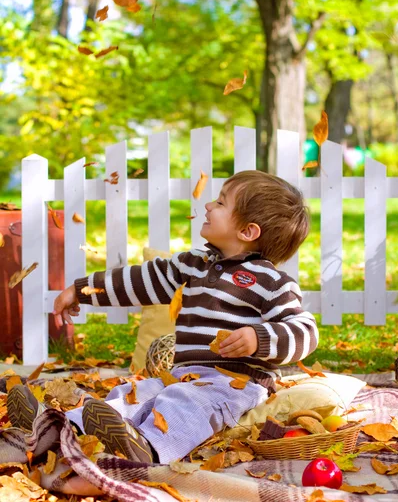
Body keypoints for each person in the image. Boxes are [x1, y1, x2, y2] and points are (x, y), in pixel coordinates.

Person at [9, 170, 319, 465]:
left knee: (185, 404)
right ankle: (59, 428)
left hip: (233, 385)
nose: (209, 205)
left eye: (221, 202)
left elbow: (304, 331)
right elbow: (141, 280)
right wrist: (83, 289)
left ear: (247, 231)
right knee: (134, 394)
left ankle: (148, 448)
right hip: (182, 375)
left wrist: (258, 338)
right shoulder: (194, 264)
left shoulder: (272, 282)